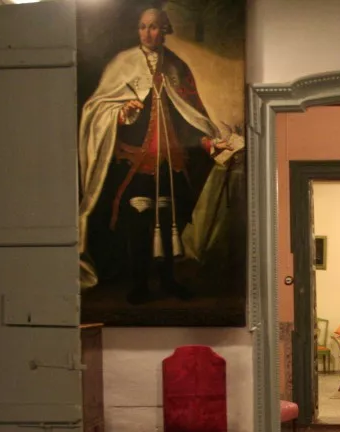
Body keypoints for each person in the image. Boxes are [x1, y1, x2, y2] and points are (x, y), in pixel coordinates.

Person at [78, 8, 239, 305]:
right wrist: (121, 113)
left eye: (154, 27)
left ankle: (168, 280)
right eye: (143, 27)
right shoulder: (122, 63)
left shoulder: (176, 66)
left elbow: (188, 117)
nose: (148, 33)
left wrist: (207, 142)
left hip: (171, 160)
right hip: (133, 161)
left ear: (165, 30)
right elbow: (97, 109)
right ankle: (139, 282)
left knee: (169, 219)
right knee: (138, 222)